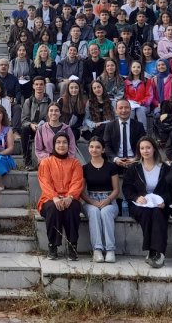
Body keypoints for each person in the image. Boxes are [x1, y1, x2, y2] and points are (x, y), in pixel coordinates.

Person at [122, 136, 172, 268]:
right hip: (141, 204)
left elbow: (169, 190)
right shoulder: (134, 168)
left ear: (154, 149)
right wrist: (135, 198)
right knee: (146, 213)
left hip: (159, 204)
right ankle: (153, 251)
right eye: (142, 148)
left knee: (157, 213)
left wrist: (164, 201)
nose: (145, 151)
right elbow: (127, 187)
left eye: (148, 147)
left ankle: (158, 253)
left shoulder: (164, 168)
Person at [37, 132, 84, 261]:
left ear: (69, 145)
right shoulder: (45, 162)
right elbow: (44, 182)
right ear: (53, 145)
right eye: (58, 142)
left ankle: (72, 246)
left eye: (64, 142)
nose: (61, 145)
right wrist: (55, 197)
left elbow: (77, 182)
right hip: (49, 198)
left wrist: (70, 196)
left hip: (70, 198)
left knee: (73, 207)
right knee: (53, 208)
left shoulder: (75, 163)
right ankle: (52, 246)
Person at [81, 136, 119, 263]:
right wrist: (91, 202)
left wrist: (107, 200)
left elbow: (116, 190)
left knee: (105, 212)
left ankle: (110, 250)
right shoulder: (85, 168)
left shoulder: (111, 167)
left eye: (98, 147)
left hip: (109, 199)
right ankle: (97, 250)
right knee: (94, 212)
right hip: (91, 200)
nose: (94, 149)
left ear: (103, 150)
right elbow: (81, 191)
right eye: (91, 147)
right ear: (88, 149)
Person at [104, 98, 147, 173]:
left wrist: (136, 158)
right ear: (116, 111)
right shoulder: (109, 126)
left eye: (126, 107)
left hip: (134, 159)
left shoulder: (139, 126)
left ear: (130, 109)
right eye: (120, 108)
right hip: (116, 160)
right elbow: (106, 145)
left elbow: (144, 144)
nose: (124, 110)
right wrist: (115, 159)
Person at [21, 76, 52, 170]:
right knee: (24, 130)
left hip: (44, 127)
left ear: (45, 86)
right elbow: (24, 119)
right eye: (37, 84)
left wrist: (43, 125)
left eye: (41, 84)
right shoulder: (28, 101)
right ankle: (27, 160)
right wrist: (31, 124)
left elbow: (51, 118)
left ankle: (45, 160)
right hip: (31, 127)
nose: (39, 86)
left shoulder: (49, 102)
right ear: (33, 86)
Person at [124, 60, 153, 128]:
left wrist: (141, 103)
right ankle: (129, 130)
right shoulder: (126, 82)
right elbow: (125, 94)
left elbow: (149, 95)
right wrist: (130, 102)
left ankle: (143, 131)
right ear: (131, 69)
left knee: (140, 110)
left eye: (138, 67)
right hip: (131, 105)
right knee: (130, 110)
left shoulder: (146, 81)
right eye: (133, 67)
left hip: (144, 105)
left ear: (141, 69)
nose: (136, 69)